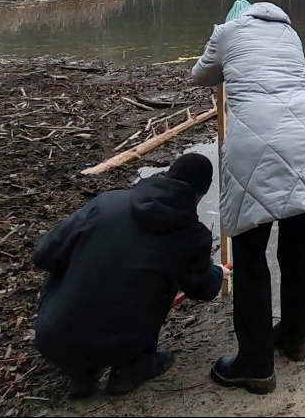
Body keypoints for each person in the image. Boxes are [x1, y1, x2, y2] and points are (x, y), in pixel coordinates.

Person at [191, 1, 305, 395]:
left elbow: (200, 75)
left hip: (255, 144)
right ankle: (294, 337)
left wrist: (218, 49)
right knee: (299, 250)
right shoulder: (292, 34)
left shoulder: (227, 31)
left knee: (251, 256)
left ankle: (254, 365)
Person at [32, 153, 226, 399]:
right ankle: (132, 366)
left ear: (167, 176)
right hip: (122, 344)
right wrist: (218, 272)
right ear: (201, 194)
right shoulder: (192, 236)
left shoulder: (107, 203)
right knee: (162, 276)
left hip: (53, 339)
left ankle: (81, 371)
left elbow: (43, 254)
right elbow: (204, 289)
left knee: (69, 255)